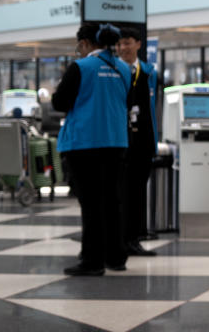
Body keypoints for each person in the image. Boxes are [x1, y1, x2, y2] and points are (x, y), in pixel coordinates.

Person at [52, 23, 131, 276]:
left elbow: (60, 102)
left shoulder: (81, 67)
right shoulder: (124, 68)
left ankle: (92, 261)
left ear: (85, 43)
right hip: (116, 142)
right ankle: (116, 256)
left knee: (91, 204)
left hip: (85, 142)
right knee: (112, 200)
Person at [117, 27, 157, 256]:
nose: (123, 48)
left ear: (138, 44)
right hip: (120, 142)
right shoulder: (115, 72)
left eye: (127, 43)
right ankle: (120, 239)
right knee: (121, 193)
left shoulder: (149, 73)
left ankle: (135, 238)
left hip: (143, 141)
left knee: (138, 192)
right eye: (120, 44)